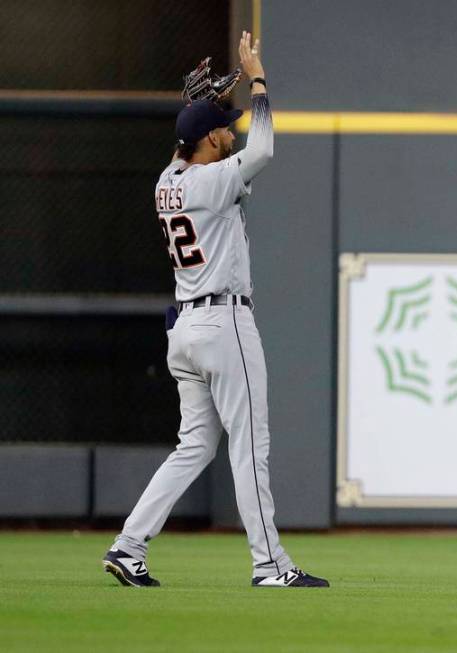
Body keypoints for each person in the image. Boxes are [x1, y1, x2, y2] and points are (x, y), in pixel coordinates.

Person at [102, 32, 328, 589]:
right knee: (250, 446)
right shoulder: (211, 178)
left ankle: (129, 545)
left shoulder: (167, 181)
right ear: (205, 140)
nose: (232, 132)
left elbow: (191, 141)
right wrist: (258, 84)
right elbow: (265, 150)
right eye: (222, 127)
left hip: (185, 330)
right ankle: (271, 565)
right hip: (224, 324)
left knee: (195, 446)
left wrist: (198, 105)